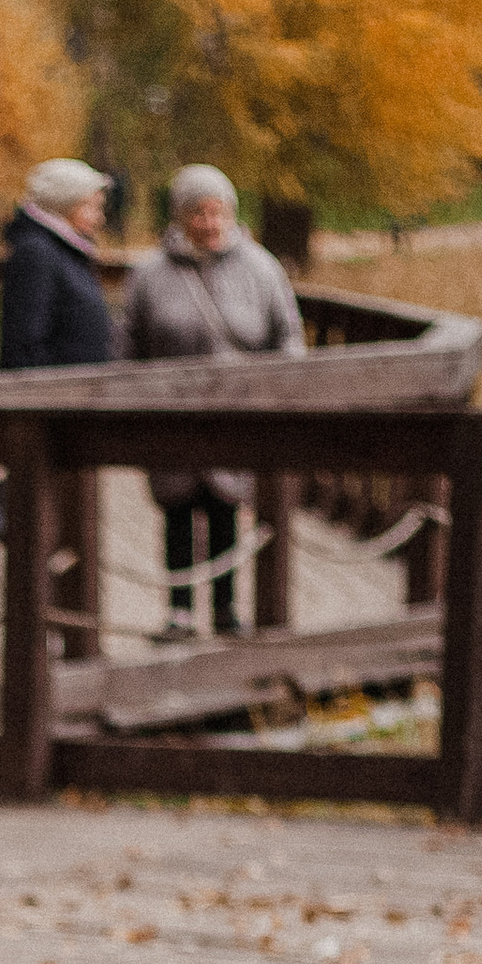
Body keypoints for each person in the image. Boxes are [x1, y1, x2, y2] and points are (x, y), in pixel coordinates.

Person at [122, 164, 306, 628]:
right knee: (178, 511)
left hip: (237, 414)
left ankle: (226, 609)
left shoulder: (262, 269)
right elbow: (127, 346)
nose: (209, 223)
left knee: (226, 511)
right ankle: (179, 611)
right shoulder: (149, 275)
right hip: (172, 415)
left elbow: (288, 339)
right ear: (179, 216)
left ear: (231, 212)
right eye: (198, 213)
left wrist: (278, 397)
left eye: (217, 211)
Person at [0, 157, 117, 372]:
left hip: (77, 393)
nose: (100, 218)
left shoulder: (65, 250)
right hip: (54, 397)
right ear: (65, 204)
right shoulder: (36, 253)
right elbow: (25, 343)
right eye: (92, 207)